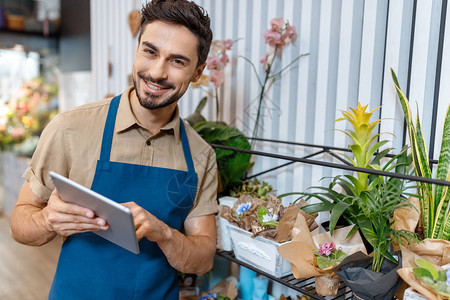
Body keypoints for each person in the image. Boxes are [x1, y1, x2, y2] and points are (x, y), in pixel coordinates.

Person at [10, 0, 218, 298]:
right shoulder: (70, 128)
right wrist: (46, 221)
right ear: (136, 50)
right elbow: (19, 222)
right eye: (150, 51)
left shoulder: (201, 156)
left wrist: (164, 233)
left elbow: (203, 259)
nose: (157, 73)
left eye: (177, 61)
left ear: (197, 72)